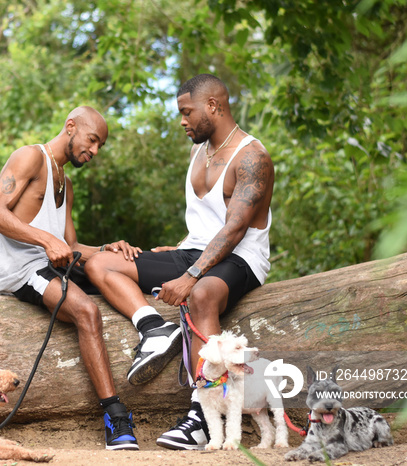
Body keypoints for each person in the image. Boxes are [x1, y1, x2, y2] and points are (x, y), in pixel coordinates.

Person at [85, 73, 274, 450]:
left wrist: (189, 275)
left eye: (187, 112)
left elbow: (234, 229)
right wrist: (176, 252)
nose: (183, 121)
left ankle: (203, 415)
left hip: (241, 258)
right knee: (101, 264)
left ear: (213, 107)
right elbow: (205, 225)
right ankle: (154, 328)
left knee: (200, 294)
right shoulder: (198, 151)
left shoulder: (253, 158)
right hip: (195, 252)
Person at [0, 106, 149, 451]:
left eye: (100, 145)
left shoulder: (66, 185)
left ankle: (154, 328)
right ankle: (115, 417)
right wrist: (46, 240)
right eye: (92, 140)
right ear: (70, 126)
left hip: (51, 263)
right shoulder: (30, 157)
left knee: (112, 270)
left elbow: (71, 246)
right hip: (21, 269)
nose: (95, 151)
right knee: (87, 312)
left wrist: (108, 249)